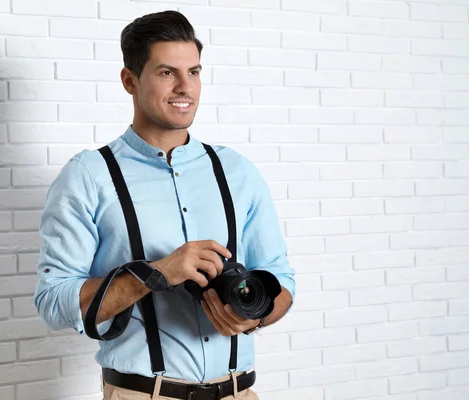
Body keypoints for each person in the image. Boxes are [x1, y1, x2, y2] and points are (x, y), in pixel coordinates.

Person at [34, 10, 295, 400]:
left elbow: (282, 280)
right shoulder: (88, 176)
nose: (184, 88)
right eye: (166, 73)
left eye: (193, 72)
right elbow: (53, 301)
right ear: (130, 80)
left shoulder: (237, 172)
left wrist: (252, 316)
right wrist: (156, 273)